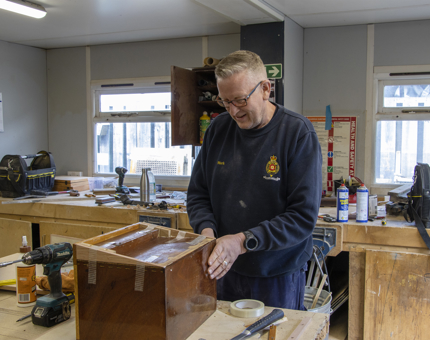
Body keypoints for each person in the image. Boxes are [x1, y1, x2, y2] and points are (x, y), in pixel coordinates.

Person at [186, 50, 322, 310]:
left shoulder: (297, 133)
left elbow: (302, 217)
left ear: (265, 89)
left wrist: (241, 241)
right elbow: (198, 194)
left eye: (239, 100)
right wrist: (206, 232)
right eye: (225, 102)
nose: (233, 111)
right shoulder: (218, 129)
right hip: (223, 267)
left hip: (277, 274)